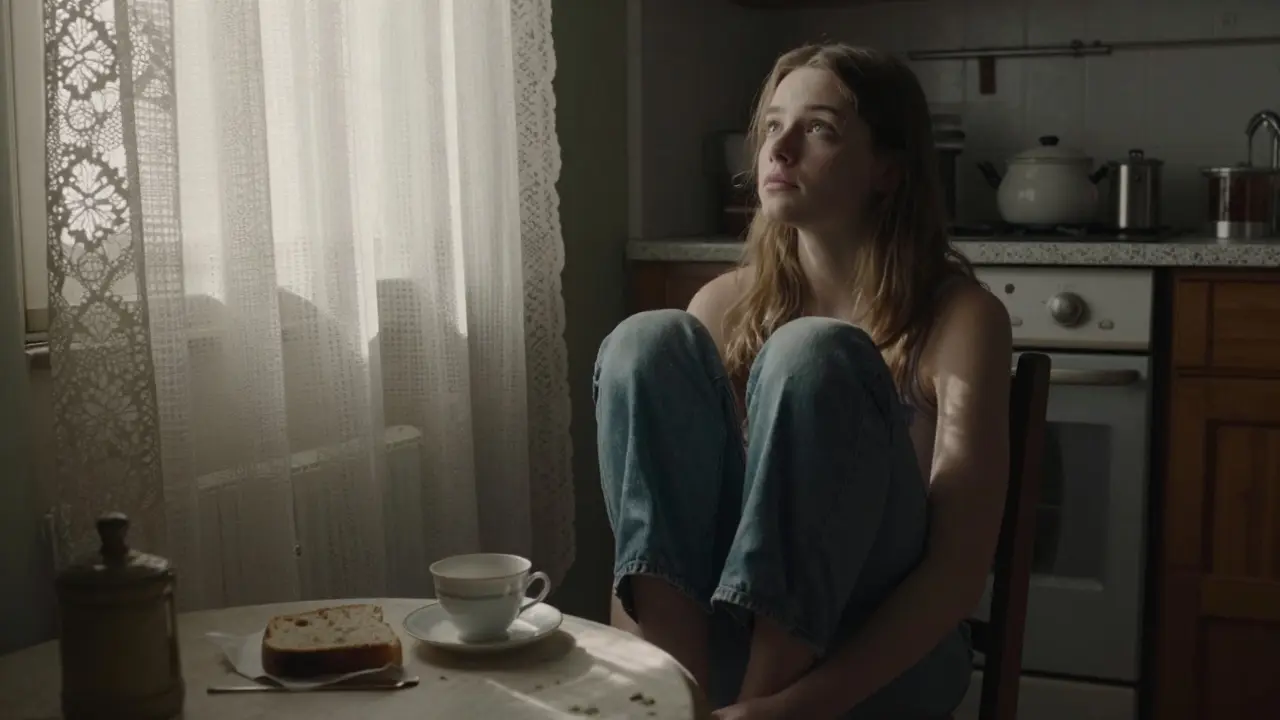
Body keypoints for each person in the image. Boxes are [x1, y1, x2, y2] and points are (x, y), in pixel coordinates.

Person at [594, 43, 1012, 719]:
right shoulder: (721, 307)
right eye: (771, 126)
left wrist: (787, 710)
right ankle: (673, 696)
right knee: (646, 340)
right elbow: (656, 534)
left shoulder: (961, 318)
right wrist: (635, 686)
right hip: (720, 650)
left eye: (819, 128)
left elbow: (956, 576)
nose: (779, 149)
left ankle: (758, 701)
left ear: (887, 170)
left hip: (877, 660)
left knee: (814, 353)